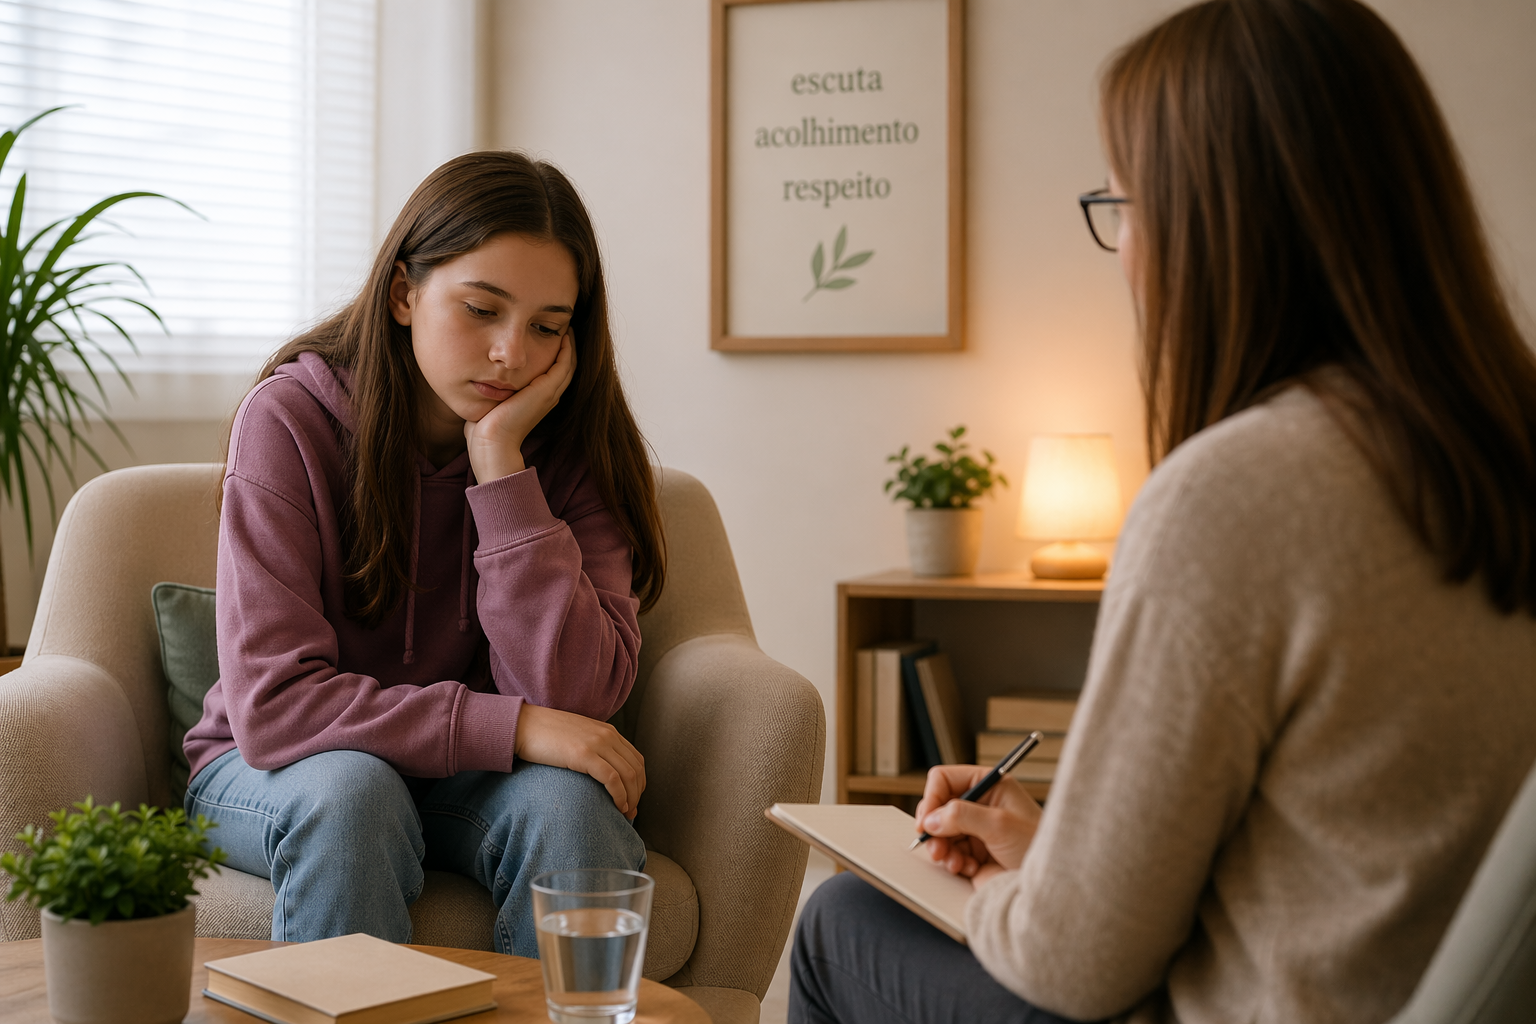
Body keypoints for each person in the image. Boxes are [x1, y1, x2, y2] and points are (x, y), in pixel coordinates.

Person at [790, 0, 1536, 1021]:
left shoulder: (1241, 491)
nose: (1124, 249)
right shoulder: (1497, 445)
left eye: (1123, 204)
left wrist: (1009, 892)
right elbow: (1319, 849)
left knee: (841, 922)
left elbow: (1074, 967)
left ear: (1216, 221)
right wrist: (1056, 852)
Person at [182, 151, 665, 956]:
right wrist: (511, 729)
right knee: (353, 796)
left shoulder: (576, 452)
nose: (513, 354)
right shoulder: (288, 422)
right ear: (405, 293)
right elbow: (273, 709)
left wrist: (503, 470)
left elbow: (576, 696)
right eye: (482, 309)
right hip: (277, 770)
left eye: (547, 327)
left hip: (463, 784)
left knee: (574, 811)